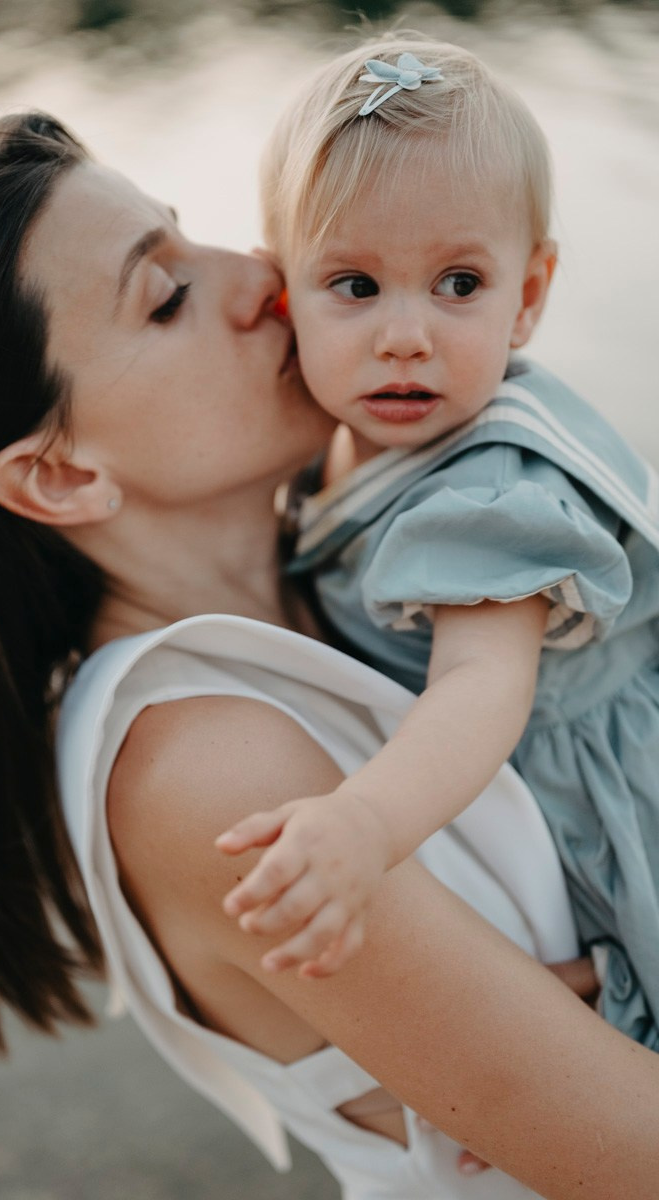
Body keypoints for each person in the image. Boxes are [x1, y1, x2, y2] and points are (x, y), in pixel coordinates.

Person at [0, 111, 659, 1200]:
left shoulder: (363, 552)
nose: (260, 276)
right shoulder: (207, 771)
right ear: (62, 476)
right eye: (167, 296)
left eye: (193, 233)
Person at [217, 33, 659, 1051]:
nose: (405, 336)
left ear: (528, 297)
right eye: (354, 285)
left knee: (609, 1021)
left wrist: (363, 822)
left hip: (594, 793)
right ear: (282, 295)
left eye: (459, 284)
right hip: (488, 786)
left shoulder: (489, 492)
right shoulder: (341, 440)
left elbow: (479, 686)